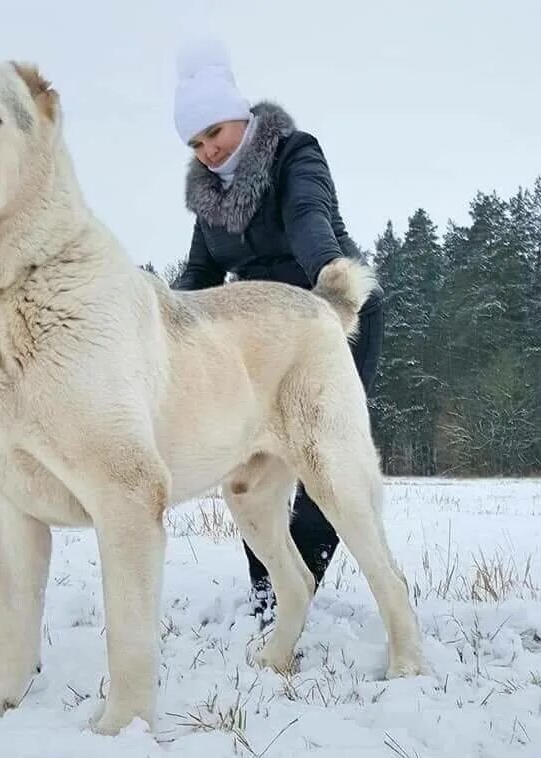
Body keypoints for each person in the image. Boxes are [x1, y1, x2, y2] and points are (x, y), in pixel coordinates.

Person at [169, 38, 384, 625]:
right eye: (195, 142)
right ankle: (271, 592)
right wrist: (157, 325)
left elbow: (308, 219)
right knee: (249, 464)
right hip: (259, 332)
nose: (207, 149)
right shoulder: (206, 197)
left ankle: (306, 578)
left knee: (323, 463)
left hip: (332, 314)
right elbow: (200, 273)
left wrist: (328, 280)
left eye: (214, 131)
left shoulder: (295, 154)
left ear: (240, 115)